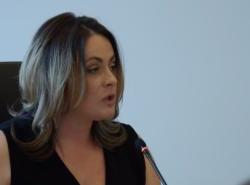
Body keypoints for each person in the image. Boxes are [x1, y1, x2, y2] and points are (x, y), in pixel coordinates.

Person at [0, 12, 159, 185]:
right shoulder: (7, 149)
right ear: (56, 77)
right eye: (93, 69)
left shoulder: (129, 143)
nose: (112, 79)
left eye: (112, 66)